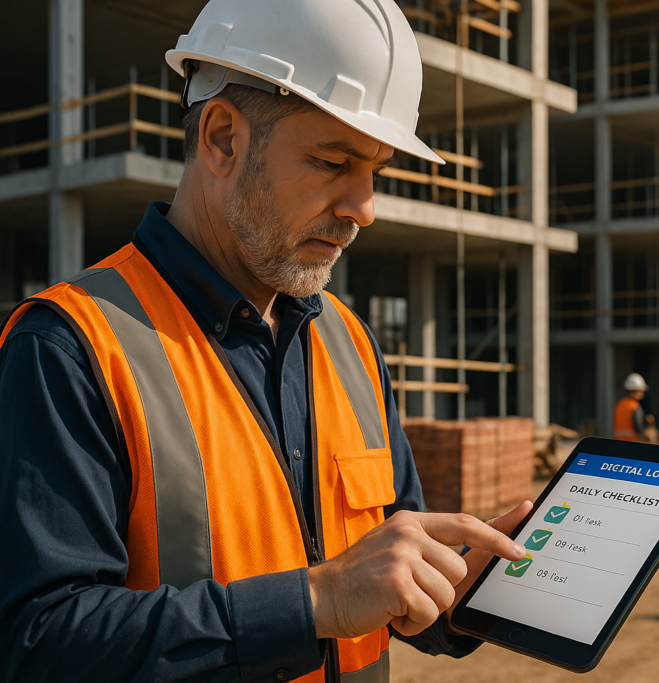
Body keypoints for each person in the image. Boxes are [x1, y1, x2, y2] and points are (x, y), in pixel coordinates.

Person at [0, 1, 531, 680]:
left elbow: (385, 580)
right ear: (223, 138)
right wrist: (314, 600)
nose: (363, 208)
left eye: (376, 171)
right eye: (334, 160)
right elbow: (38, 644)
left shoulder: (351, 345)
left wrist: (456, 592)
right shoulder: (72, 348)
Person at [614, 373, 650, 442]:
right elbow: (638, 426)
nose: (642, 394)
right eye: (641, 391)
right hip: (632, 443)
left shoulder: (619, 404)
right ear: (636, 391)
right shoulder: (634, 406)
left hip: (618, 443)